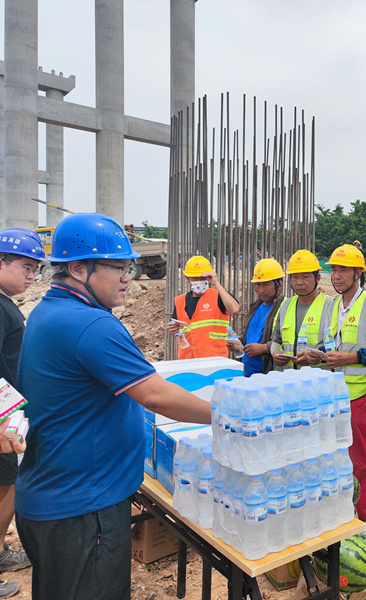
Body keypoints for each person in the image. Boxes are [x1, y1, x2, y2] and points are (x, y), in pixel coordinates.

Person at [14, 213, 212, 600]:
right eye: (118, 267)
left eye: (130, 266)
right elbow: (155, 395)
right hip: (85, 510)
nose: (128, 276)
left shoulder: (49, 311)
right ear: (77, 268)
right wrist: (228, 412)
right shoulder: (89, 324)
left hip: (55, 497)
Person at [324, 244, 366, 520]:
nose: (337, 275)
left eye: (343, 270)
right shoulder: (333, 306)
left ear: (358, 273)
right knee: (341, 459)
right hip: (337, 396)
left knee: (363, 462)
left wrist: (349, 358)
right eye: (334, 270)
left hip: (361, 396)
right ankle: (349, 514)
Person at [0, 228, 46, 599]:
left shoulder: (5, 303)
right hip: (3, 416)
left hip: (10, 409)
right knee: (5, 490)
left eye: (36, 270)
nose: (31, 276)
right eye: (26, 267)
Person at [167, 255, 240, 359]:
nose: (199, 281)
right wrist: (172, 330)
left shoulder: (218, 296)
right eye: (195, 278)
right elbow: (178, 330)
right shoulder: (180, 301)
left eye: (203, 278)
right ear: (188, 278)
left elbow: (235, 309)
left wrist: (217, 284)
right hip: (188, 361)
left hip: (214, 361)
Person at [272, 249, 334, 370]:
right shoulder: (285, 305)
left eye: (305, 277)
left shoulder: (330, 305)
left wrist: (318, 355)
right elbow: (276, 340)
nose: (299, 282)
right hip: (288, 381)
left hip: (318, 381)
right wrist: (275, 352)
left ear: (318, 278)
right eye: (295, 277)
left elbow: (337, 344)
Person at [230, 258, 284, 376]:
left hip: (268, 374)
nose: (261, 290)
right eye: (258, 285)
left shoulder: (285, 307)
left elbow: (289, 342)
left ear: (279, 284)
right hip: (247, 372)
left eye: (266, 284)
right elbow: (252, 336)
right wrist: (239, 342)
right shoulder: (255, 307)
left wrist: (264, 348)